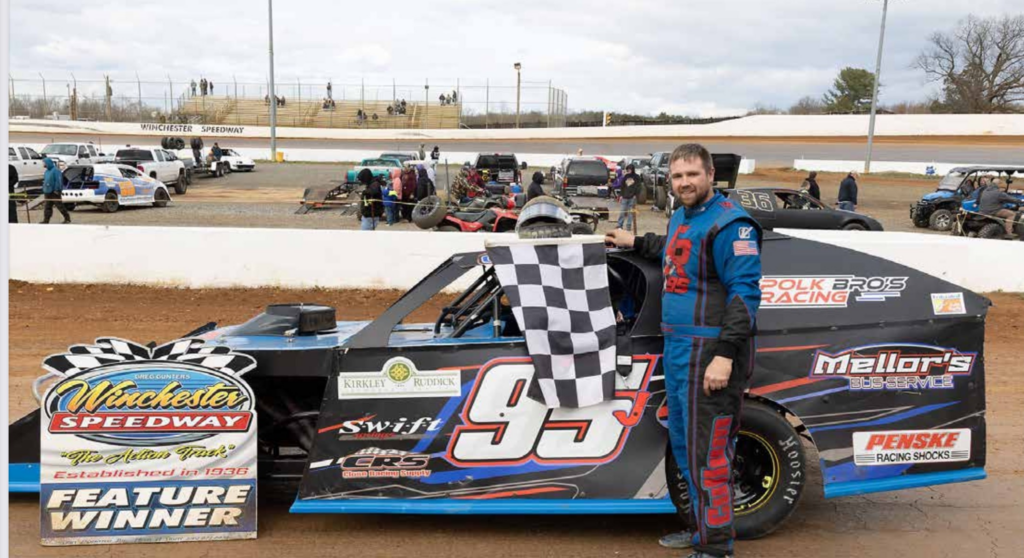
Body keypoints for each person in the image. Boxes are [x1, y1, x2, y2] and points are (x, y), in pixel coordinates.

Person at [605, 143, 761, 558]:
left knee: (709, 452)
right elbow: (675, 249)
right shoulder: (681, 216)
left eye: (692, 174)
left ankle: (716, 546)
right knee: (683, 445)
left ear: (710, 175)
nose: (685, 182)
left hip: (710, 352)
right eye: (677, 176)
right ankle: (699, 529)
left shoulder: (732, 225)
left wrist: (724, 355)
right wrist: (635, 240)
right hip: (677, 348)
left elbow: (745, 295)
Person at [41, 158, 70, 224]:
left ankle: (67, 218)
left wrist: (57, 189)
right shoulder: (46, 171)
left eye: (44, 163)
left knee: (60, 206)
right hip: (47, 191)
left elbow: (58, 181)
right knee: (47, 207)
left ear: (48, 163)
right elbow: (45, 180)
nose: (43, 164)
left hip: (54, 192)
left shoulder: (56, 171)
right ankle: (46, 220)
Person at [617, 164, 641, 230]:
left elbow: (639, 187)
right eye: (628, 169)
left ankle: (628, 226)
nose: (629, 170)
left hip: (632, 197)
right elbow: (622, 186)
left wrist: (636, 195)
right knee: (622, 212)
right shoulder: (625, 176)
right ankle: (620, 225)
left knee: (630, 213)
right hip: (624, 197)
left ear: (633, 169)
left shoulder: (637, 177)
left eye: (630, 169)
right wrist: (621, 195)